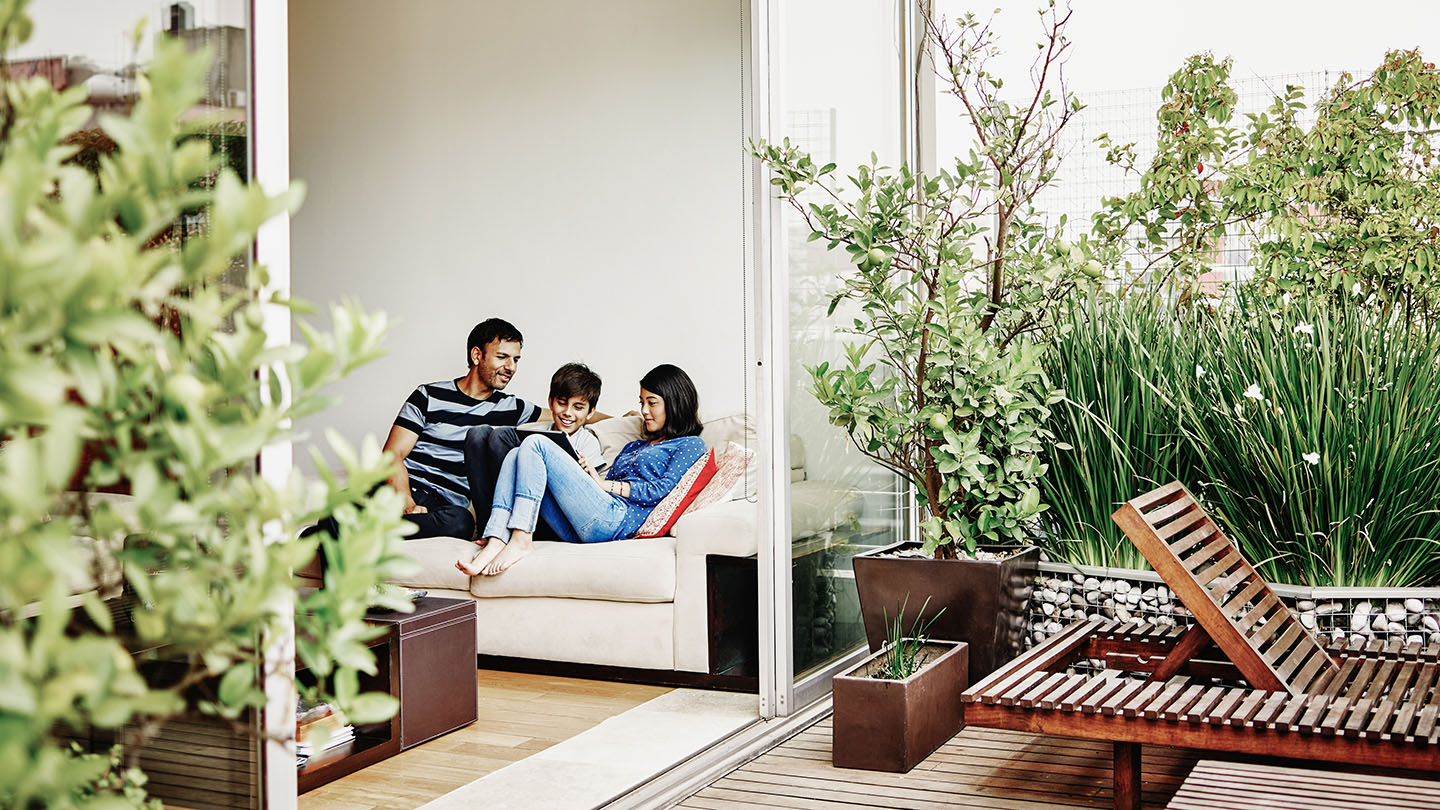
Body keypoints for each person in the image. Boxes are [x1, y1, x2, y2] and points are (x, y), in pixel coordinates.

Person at [457, 364, 706, 576]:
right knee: (515, 453)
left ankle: (522, 540)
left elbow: (661, 490)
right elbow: (606, 484)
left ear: (675, 403)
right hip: (590, 518)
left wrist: (602, 484)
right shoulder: (635, 445)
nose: (644, 411)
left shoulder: (690, 444)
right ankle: (497, 538)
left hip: (616, 521)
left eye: (652, 403)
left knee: (535, 443)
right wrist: (587, 479)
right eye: (642, 402)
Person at [382, 318, 539, 540]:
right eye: (502, 357)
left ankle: (363, 530)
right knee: (339, 509)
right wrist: (407, 504)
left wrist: (592, 412)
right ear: (477, 356)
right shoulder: (428, 395)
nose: (511, 367)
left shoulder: (512, 407)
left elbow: (563, 412)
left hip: (445, 506)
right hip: (402, 491)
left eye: (516, 359)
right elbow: (392, 455)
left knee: (460, 523)